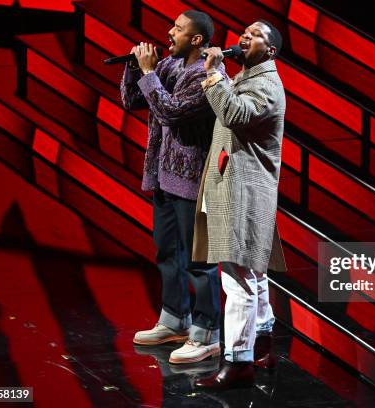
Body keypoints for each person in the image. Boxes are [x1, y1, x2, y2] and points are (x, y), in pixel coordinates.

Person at [120, 10, 226, 364]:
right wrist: (135, 68)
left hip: (194, 182)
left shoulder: (208, 76)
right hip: (164, 176)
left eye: (178, 29)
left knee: (200, 261)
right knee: (167, 252)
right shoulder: (169, 66)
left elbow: (171, 112)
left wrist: (149, 73)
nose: (169, 33)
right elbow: (133, 101)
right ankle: (175, 320)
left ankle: (207, 332)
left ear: (197, 40)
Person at [191, 20, 287, 389]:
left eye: (254, 35)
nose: (243, 37)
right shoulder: (249, 79)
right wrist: (222, 76)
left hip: (243, 192)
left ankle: (238, 361)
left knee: (237, 278)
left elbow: (233, 114)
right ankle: (261, 344)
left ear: (271, 50)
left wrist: (214, 74)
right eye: (243, 33)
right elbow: (231, 105)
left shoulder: (266, 85)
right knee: (253, 272)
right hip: (237, 189)